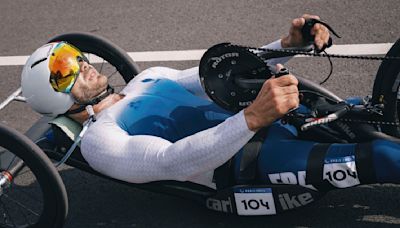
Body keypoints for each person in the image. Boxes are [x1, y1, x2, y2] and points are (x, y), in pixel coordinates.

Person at [21, 14, 400, 195]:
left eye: (73, 55)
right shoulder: (100, 140)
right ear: (50, 94)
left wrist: (289, 44)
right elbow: (172, 162)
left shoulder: (146, 78)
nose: (81, 63)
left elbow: (217, 77)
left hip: (273, 118)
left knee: (374, 118)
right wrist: (252, 119)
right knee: (382, 155)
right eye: (62, 68)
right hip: (254, 159)